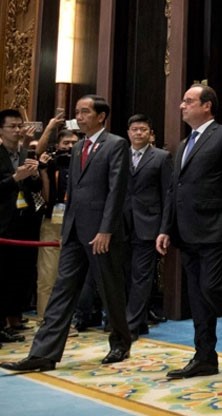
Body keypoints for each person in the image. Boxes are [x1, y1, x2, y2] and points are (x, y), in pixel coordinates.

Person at [1, 95, 132, 371]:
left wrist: (106, 229)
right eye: (77, 112)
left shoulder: (116, 144)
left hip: (101, 233)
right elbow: (72, 192)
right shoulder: (79, 146)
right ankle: (43, 353)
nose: (79, 117)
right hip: (73, 231)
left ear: (101, 116)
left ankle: (121, 341)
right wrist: (67, 227)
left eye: (85, 112)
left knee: (110, 290)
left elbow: (116, 191)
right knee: (62, 291)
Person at [156, 84, 222, 379]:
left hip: (215, 227)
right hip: (185, 230)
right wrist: (165, 228)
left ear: (207, 106)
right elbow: (174, 190)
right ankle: (204, 357)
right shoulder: (184, 144)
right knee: (198, 296)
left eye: (188, 101)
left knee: (212, 286)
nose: (182, 106)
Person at [123, 114, 172, 340]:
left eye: (143, 129)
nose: (138, 133)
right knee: (125, 274)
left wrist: (164, 229)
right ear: (128, 133)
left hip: (149, 224)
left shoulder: (161, 157)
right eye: (134, 129)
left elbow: (167, 195)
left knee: (141, 276)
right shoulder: (120, 155)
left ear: (150, 133)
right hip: (122, 224)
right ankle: (139, 321)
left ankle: (131, 326)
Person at [0, 109, 41, 344]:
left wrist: (33, 176)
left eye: (19, 126)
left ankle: (14, 318)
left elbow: (35, 189)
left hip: (25, 222)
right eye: (12, 126)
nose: (17, 131)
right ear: (1, 130)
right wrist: (15, 178)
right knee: (2, 274)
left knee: (20, 273)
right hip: (3, 224)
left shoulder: (25, 153)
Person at [35, 122, 79, 320]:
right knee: (48, 274)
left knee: (70, 276)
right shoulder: (51, 162)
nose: (70, 147)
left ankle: (68, 318)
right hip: (52, 221)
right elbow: (38, 151)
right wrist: (51, 126)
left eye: (74, 143)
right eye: (66, 143)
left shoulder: (83, 163)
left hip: (77, 223)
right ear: (58, 144)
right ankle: (46, 318)